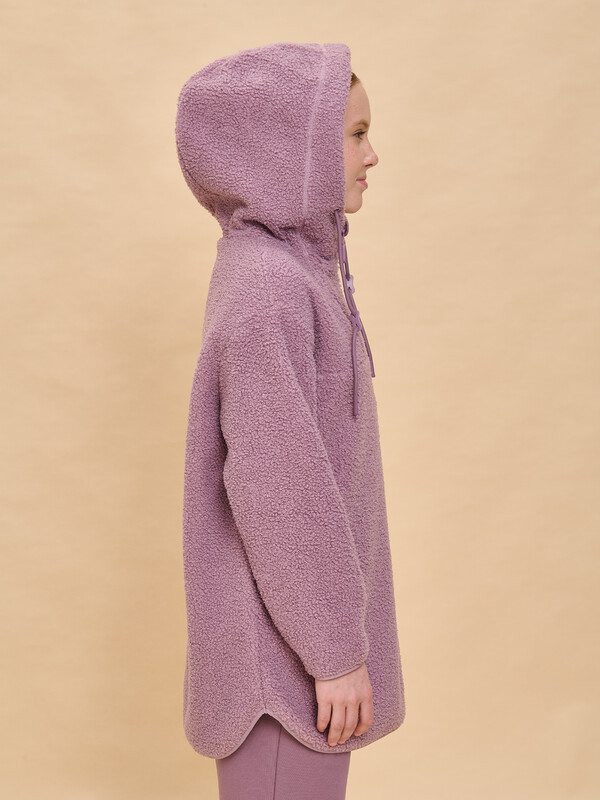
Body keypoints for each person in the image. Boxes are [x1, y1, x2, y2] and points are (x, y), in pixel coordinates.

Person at [175, 42, 406, 799]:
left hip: (291, 660)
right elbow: (278, 487)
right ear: (290, 149)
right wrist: (335, 652)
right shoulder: (270, 290)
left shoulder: (295, 277)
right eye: (355, 134)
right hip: (281, 674)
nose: (371, 155)